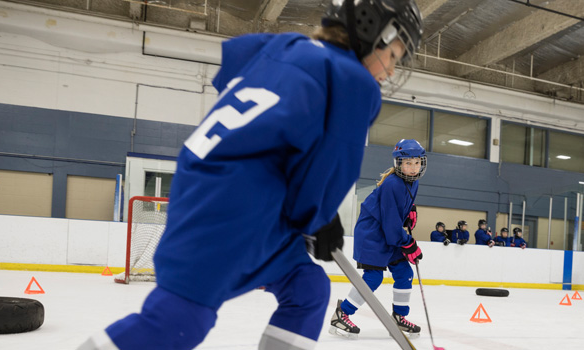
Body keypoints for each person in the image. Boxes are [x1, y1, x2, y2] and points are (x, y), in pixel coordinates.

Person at [80, 1, 424, 349]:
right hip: (235, 208)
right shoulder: (353, 81)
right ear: (371, 32)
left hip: (210, 185)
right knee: (179, 321)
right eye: (393, 56)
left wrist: (311, 210)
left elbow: (233, 67)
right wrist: (318, 217)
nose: (391, 71)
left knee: (307, 288)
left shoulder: (282, 46)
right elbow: (329, 169)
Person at [330, 139, 426, 340]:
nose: (413, 167)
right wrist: (408, 243)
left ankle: (399, 316)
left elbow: (401, 207)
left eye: (416, 162)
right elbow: (391, 225)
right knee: (373, 278)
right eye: (408, 163)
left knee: (404, 272)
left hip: (387, 232)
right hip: (372, 233)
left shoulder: (413, 182)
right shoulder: (392, 184)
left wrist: (410, 211)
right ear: (398, 164)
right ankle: (342, 314)